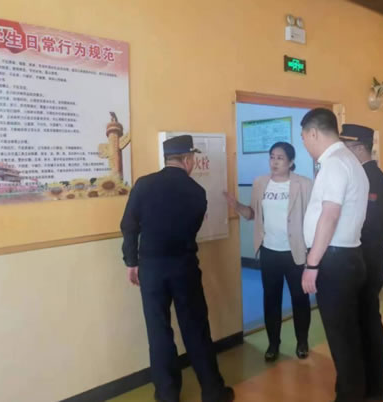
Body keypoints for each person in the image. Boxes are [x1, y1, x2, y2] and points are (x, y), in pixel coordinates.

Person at [120, 135, 235, 402]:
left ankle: (167, 394)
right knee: (196, 329)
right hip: (184, 267)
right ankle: (213, 392)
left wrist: (131, 262)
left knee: (158, 331)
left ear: (167, 158)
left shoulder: (143, 185)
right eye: (192, 158)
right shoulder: (197, 192)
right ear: (187, 159)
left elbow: (128, 225)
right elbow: (192, 228)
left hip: (151, 268)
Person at [299, 108, 369, 402]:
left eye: (304, 137)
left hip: (335, 261)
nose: (305, 144)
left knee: (341, 338)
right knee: (348, 335)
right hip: (348, 258)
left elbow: (329, 215)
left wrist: (312, 264)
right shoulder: (349, 161)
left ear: (313, 133)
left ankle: (350, 395)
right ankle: (355, 391)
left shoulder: (334, 164)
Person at [223, 142, 312, 362]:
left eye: (280, 158)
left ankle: (302, 342)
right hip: (269, 251)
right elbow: (252, 214)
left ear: (291, 162)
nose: (274, 162)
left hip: (295, 252)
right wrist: (236, 206)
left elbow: (312, 218)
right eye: (272, 157)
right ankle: (273, 343)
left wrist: (312, 252)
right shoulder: (260, 183)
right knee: (271, 299)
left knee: (299, 298)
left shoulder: (304, 184)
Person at [340, 124, 383, 401]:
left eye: (345, 147)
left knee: (368, 321)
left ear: (359, 147)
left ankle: (375, 385)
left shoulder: (372, 178)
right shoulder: (363, 175)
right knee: (363, 320)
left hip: (368, 262)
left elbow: (368, 227)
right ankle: (374, 377)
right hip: (363, 260)